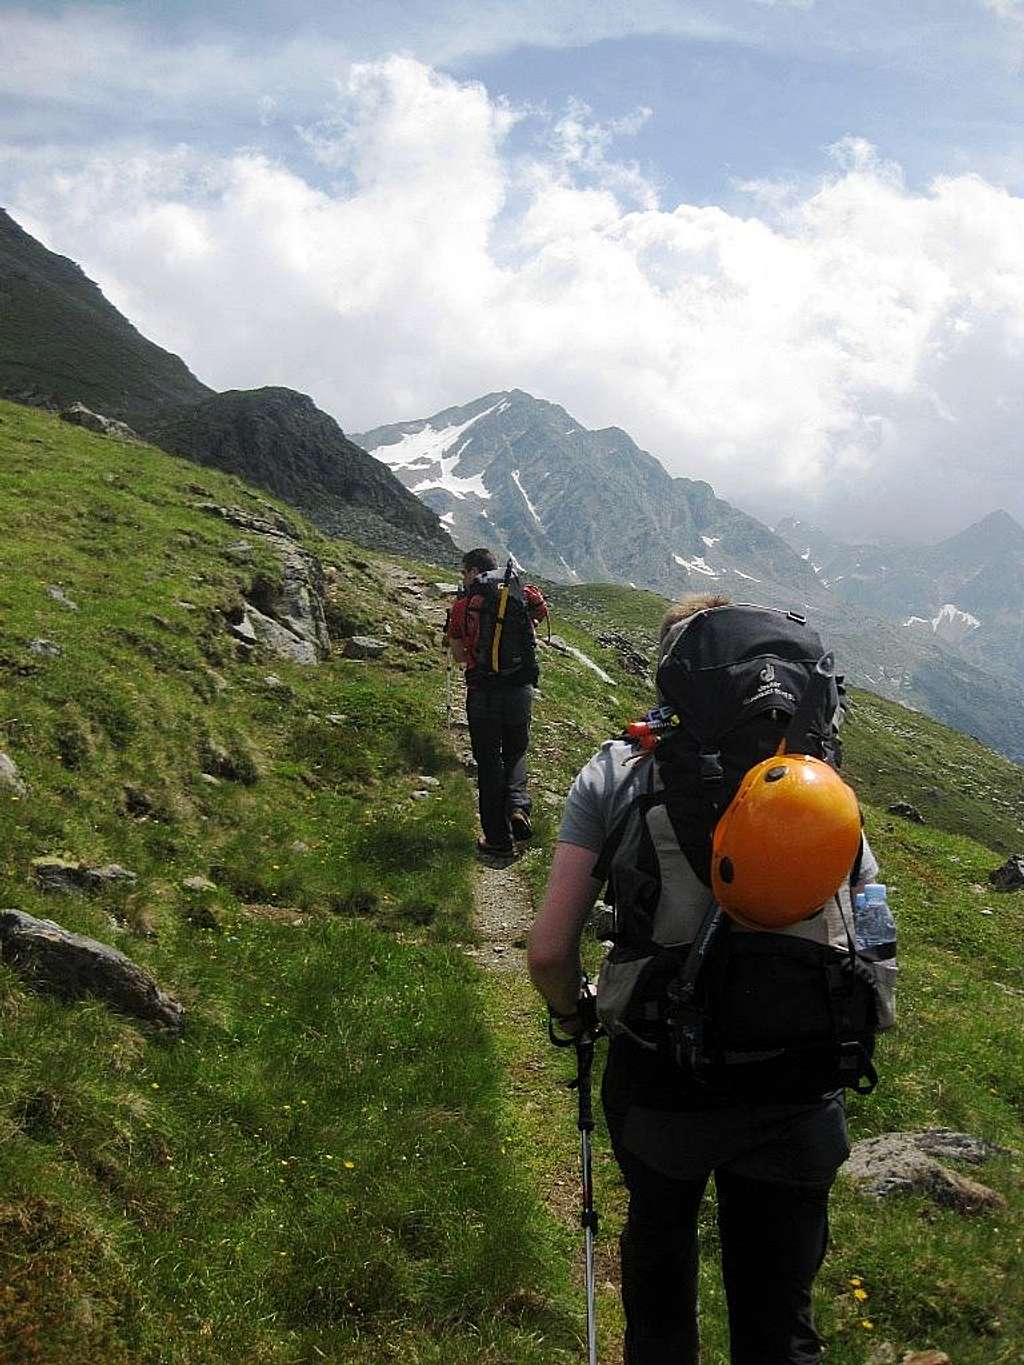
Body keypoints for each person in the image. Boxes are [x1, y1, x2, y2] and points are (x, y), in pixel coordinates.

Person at [527, 592, 878, 1365]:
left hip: (661, 1081)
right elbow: (868, 932)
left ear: (676, 676)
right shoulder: (822, 788)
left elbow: (549, 952)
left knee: (659, 1252)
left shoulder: (622, 771)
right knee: (780, 1322)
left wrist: (577, 1012)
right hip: (799, 1085)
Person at [446, 548, 547, 864]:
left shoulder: (464, 605)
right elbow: (540, 612)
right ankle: (518, 805)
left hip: (483, 693)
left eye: (464, 572)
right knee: (516, 751)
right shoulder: (519, 594)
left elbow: (460, 656)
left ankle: (498, 840)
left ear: (473, 571)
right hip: (519, 689)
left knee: (489, 763)